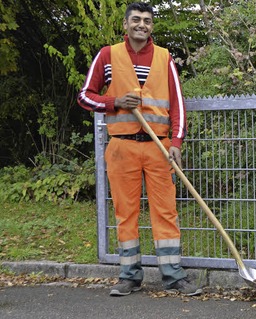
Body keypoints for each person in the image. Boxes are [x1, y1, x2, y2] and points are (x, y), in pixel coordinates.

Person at [77, 2, 202, 297]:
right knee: (126, 212)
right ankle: (129, 277)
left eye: (147, 20)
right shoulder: (108, 55)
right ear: (125, 24)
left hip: (159, 149)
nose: (141, 25)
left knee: (166, 211)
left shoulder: (164, 57)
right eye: (136, 19)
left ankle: (173, 276)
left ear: (151, 27)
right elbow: (85, 97)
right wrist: (115, 102)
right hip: (122, 149)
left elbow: (178, 106)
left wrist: (176, 143)